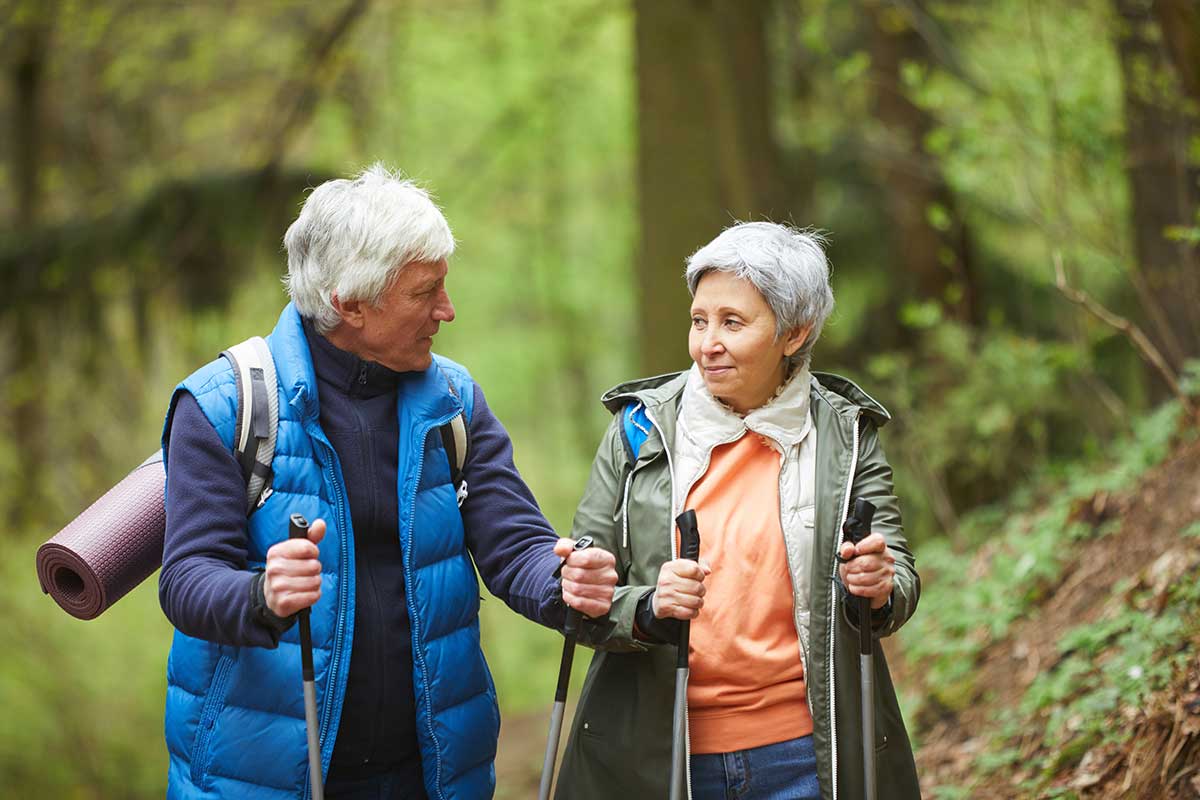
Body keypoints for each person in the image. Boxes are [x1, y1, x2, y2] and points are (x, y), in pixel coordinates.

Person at [158, 164, 618, 800]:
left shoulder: (453, 401)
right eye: (424, 292)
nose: (447, 311)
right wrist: (263, 594)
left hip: (430, 774)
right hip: (259, 776)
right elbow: (186, 579)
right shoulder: (225, 407)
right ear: (349, 304)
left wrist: (564, 581)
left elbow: (515, 546)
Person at [555, 222, 922, 799]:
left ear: (794, 333)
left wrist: (877, 584)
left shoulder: (845, 434)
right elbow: (585, 593)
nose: (708, 343)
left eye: (732, 322)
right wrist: (647, 607)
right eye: (700, 320)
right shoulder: (638, 429)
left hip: (805, 755)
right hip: (660, 754)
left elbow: (897, 575)